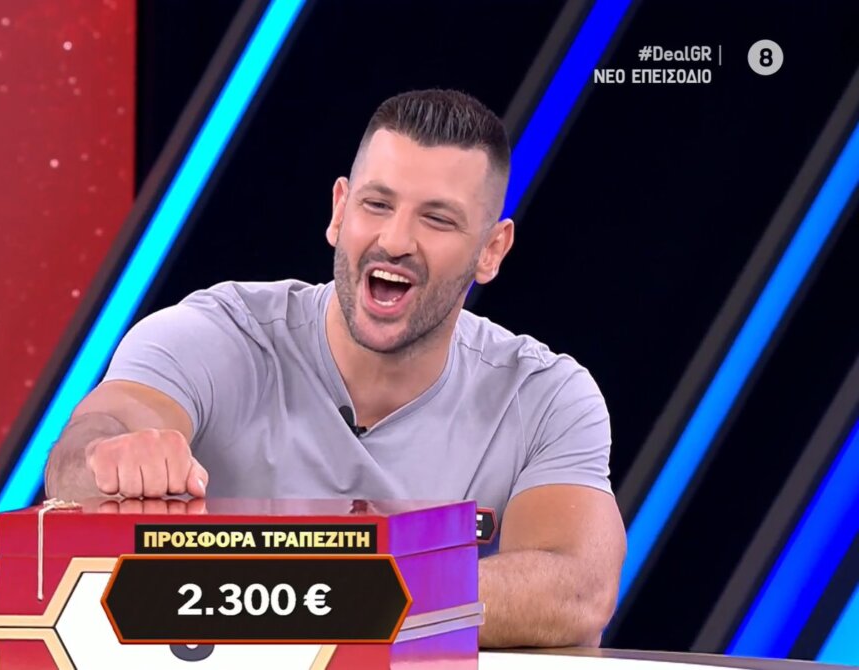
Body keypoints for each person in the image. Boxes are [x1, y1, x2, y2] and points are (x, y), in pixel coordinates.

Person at [45, 89, 626, 648]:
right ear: (339, 210)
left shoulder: (545, 396)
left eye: (437, 219)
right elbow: (78, 464)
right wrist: (109, 456)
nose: (395, 241)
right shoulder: (216, 334)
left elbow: (576, 592)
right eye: (377, 205)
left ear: (491, 250)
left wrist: (330, 594)